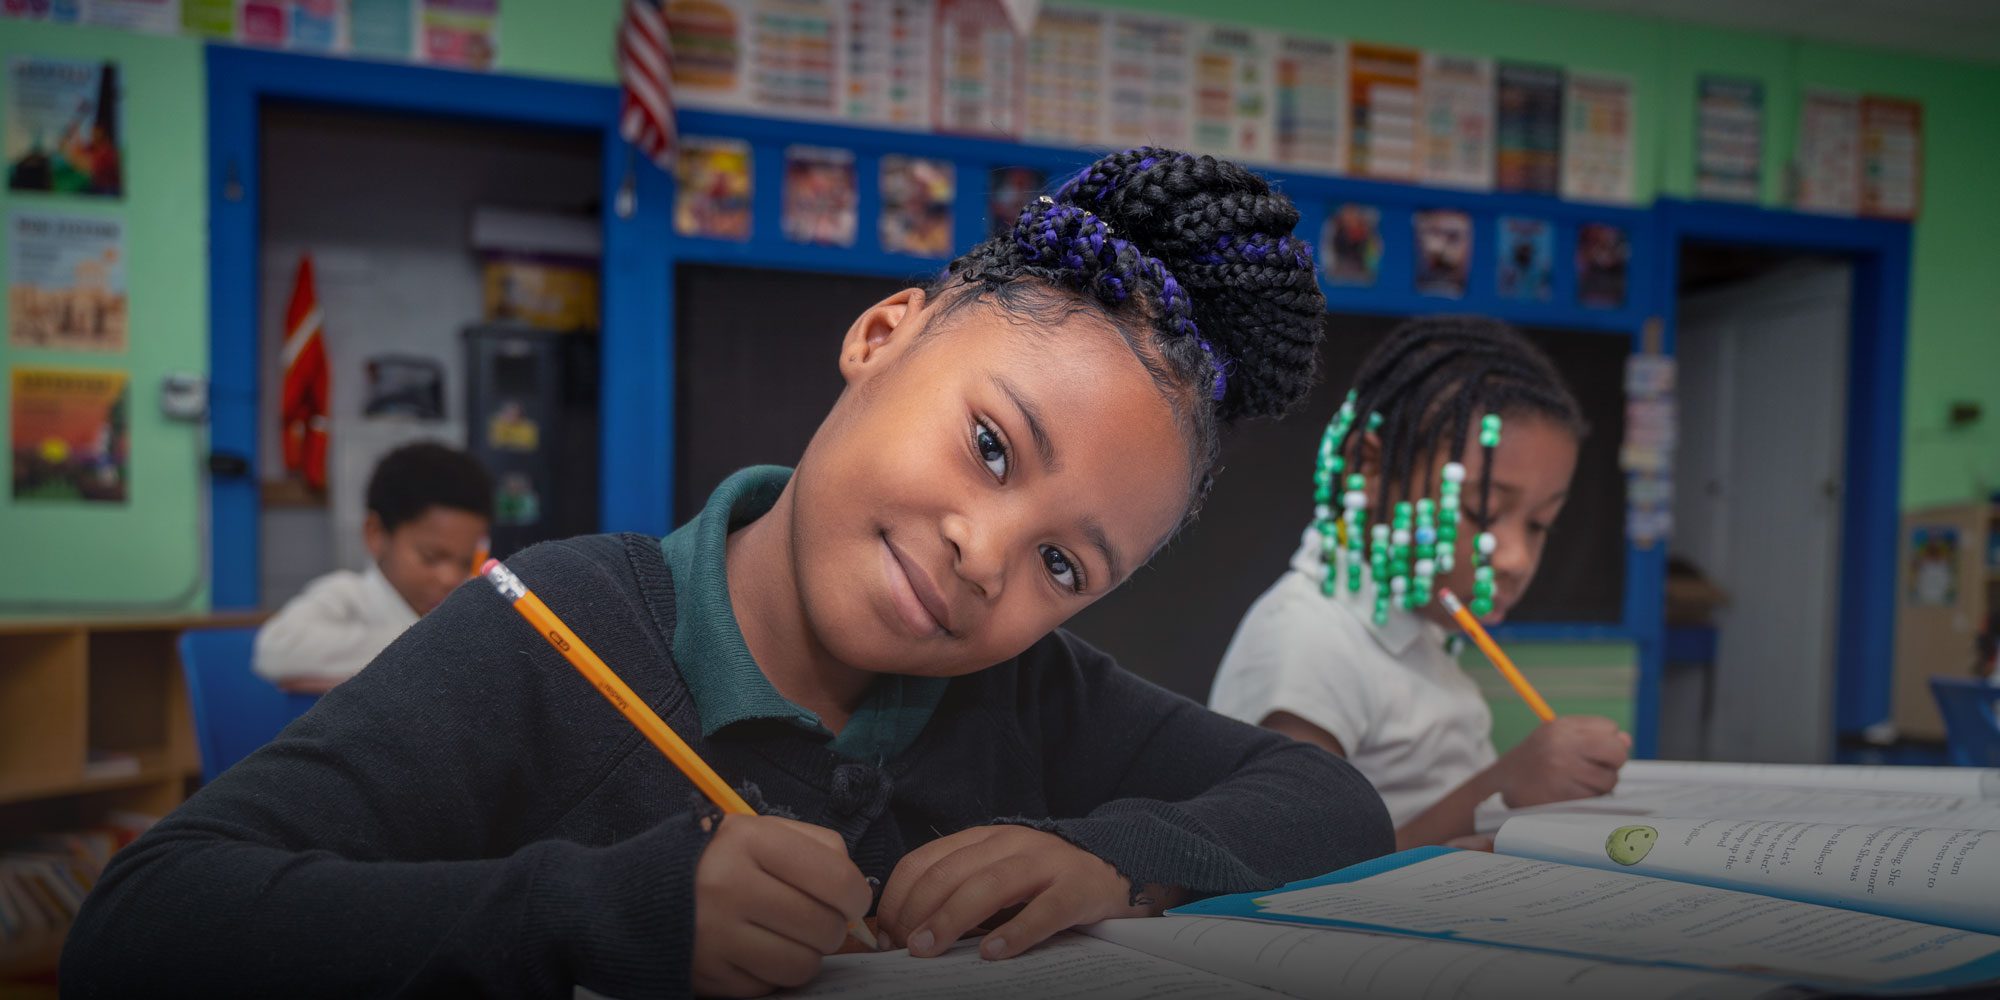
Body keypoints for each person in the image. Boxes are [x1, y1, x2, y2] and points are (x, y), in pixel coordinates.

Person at [64, 149, 1393, 998]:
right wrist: (610, 913)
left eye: (1064, 562)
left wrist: (1118, 856)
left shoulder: (1031, 695)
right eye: (991, 445)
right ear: (882, 335)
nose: (986, 560)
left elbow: (1331, 802)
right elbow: (145, 928)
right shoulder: (561, 623)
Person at [1210, 316, 1631, 850]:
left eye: (1539, 524)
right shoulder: (1307, 639)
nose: (1517, 559)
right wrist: (1502, 789)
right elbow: (1292, 870)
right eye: (1482, 511)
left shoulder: (1424, 633)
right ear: (1370, 466)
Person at [253, 441, 493, 693]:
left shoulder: (469, 605)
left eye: (466, 563)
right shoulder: (348, 595)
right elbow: (276, 648)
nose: (449, 577)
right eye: (431, 557)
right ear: (376, 533)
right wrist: (436, 646)